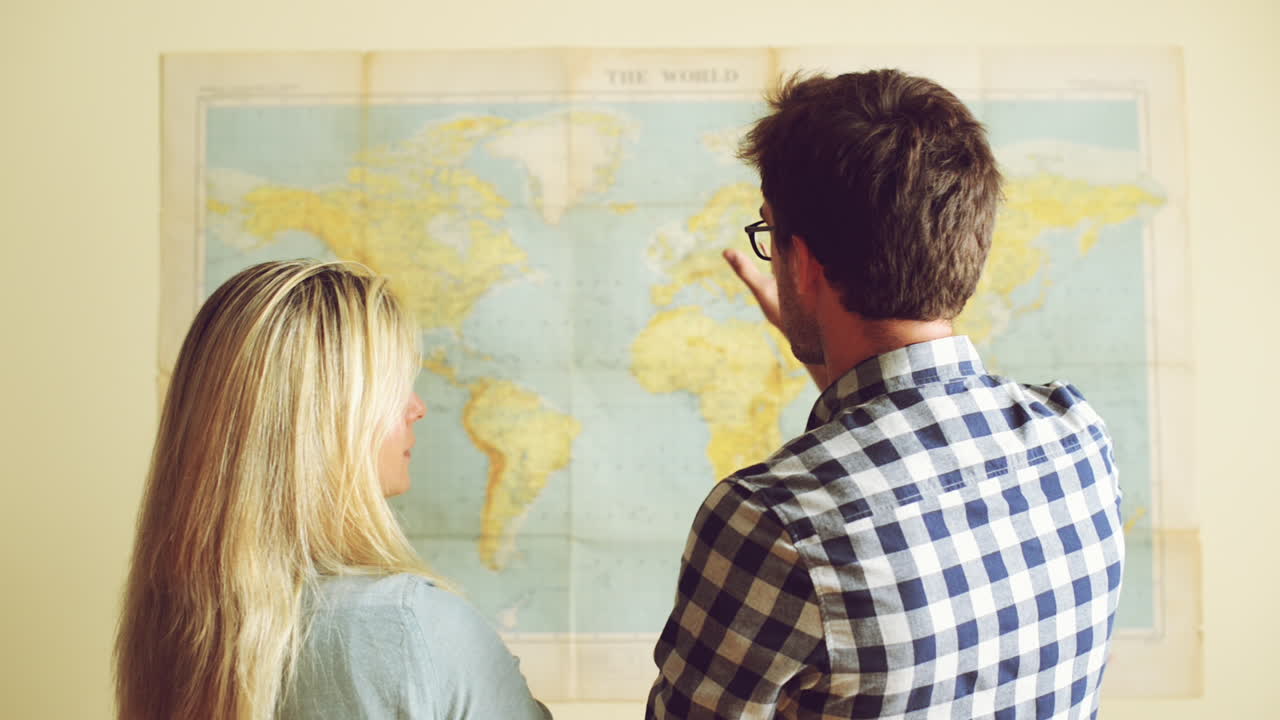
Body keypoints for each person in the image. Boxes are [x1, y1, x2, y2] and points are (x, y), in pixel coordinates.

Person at [647, 70, 1125, 719]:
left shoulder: (774, 523)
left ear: (803, 262)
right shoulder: (1077, 438)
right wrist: (828, 352)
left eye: (769, 234)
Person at [115, 260, 550, 720]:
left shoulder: (175, 628)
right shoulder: (410, 623)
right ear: (330, 415)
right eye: (393, 385)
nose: (417, 408)